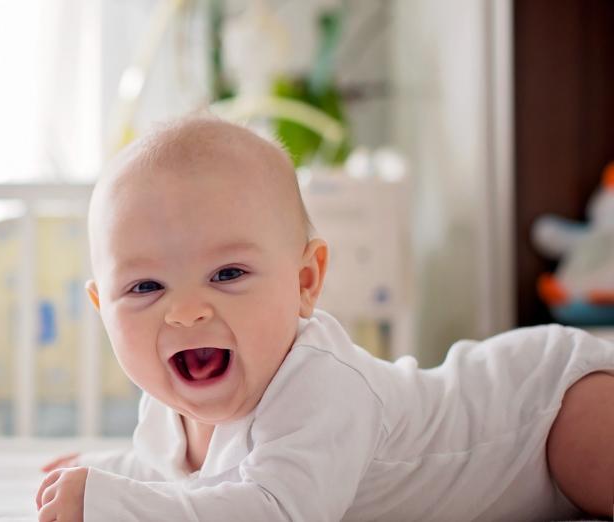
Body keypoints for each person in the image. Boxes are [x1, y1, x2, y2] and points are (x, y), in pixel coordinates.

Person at [35, 114, 614, 521]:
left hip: (542, 414)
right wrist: (103, 469)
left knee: (594, 465)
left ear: (305, 282)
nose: (185, 312)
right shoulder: (166, 405)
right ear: (102, 310)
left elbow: (273, 510)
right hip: (534, 417)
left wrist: (113, 507)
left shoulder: (318, 383)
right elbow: (173, 476)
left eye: (228, 274)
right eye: (145, 287)